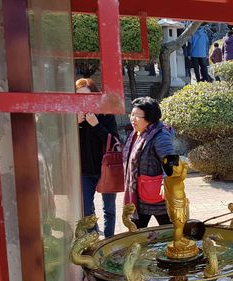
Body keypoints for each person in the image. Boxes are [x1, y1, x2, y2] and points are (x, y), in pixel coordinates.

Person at [75, 78, 120, 238]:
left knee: (109, 209)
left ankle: (109, 241)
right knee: (86, 207)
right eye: (78, 97)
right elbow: (64, 142)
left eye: (86, 96)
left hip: (106, 169)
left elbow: (115, 141)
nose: (83, 101)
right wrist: (75, 124)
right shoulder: (74, 117)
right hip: (85, 170)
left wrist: (96, 125)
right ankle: (93, 237)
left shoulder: (106, 115)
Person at [123, 97, 176, 229]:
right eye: (132, 114)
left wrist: (166, 181)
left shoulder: (160, 135)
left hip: (158, 197)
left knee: (169, 232)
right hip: (140, 197)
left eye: (137, 116)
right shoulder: (137, 133)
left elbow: (171, 159)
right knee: (136, 232)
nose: (132, 119)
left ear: (150, 117)